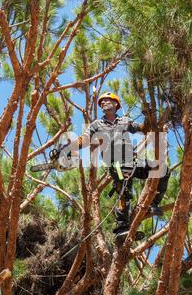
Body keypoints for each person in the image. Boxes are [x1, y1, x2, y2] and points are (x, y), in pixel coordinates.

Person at [50, 92, 170, 242]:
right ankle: (122, 229)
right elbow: (84, 140)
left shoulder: (124, 121)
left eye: (107, 100)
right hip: (116, 164)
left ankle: (151, 204)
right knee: (123, 192)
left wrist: (148, 117)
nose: (104, 103)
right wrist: (67, 148)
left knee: (162, 169)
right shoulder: (96, 125)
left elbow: (144, 129)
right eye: (102, 102)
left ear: (116, 104)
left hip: (131, 161)